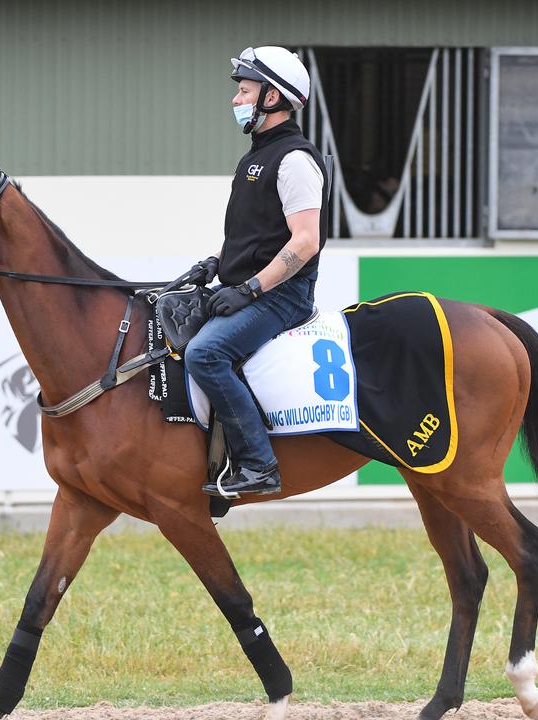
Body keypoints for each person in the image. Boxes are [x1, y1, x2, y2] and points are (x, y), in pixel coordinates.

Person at [184, 46, 329, 497]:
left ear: (273, 98)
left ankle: (259, 464)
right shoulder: (254, 159)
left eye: (244, 90)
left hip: (283, 297)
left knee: (204, 354)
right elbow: (253, 235)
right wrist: (218, 264)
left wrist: (249, 289)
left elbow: (305, 242)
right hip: (248, 288)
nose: (235, 99)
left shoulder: (296, 161)